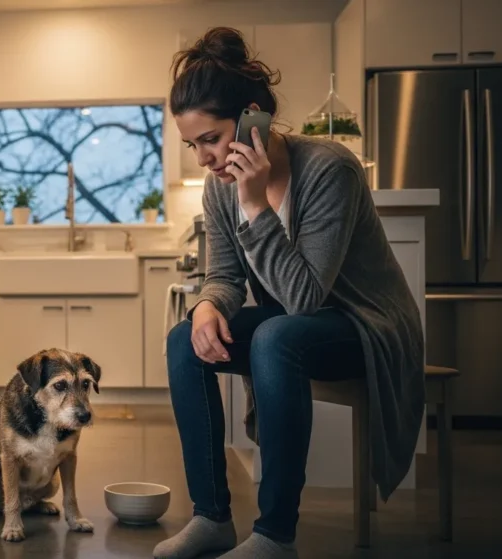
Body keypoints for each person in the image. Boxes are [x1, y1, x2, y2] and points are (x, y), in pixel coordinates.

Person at [153, 27, 425, 559]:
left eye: (210, 139)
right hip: (294, 325)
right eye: (192, 145)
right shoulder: (218, 187)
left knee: (276, 336)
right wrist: (207, 305)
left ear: (251, 118)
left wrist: (255, 203)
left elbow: (304, 299)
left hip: (364, 323)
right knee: (184, 339)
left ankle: (276, 536)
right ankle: (211, 518)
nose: (203, 158)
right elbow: (225, 274)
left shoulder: (329, 169)